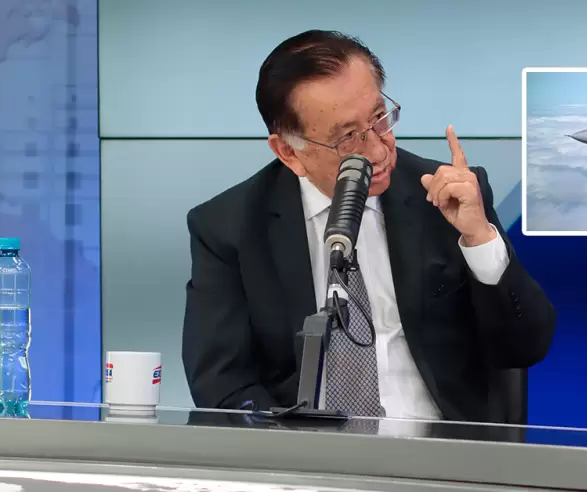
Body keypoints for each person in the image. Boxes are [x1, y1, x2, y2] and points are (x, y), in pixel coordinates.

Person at [181, 29, 555, 423]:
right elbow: (223, 386)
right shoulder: (228, 228)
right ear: (289, 151)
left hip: (443, 448)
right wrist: (291, 449)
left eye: (380, 119)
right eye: (347, 138)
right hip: (306, 452)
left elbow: (526, 347)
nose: (377, 151)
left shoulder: (446, 197)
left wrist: (479, 239)